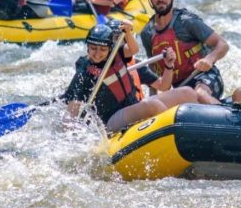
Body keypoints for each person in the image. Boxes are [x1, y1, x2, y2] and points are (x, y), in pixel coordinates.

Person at [61, 24, 198, 133]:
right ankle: (181, 134)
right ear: (87, 48)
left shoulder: (116, 54)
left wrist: (127, 32)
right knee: (152, 106)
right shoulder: (84, 72)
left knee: (187, 92)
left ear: (110, 48)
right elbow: (72, 108)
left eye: (102, 49)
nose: (98, 54)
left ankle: (198, 126)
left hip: (133, 105)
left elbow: (134, 49)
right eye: (93, 48)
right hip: (110, 120)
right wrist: (70, 134)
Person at [139, 0, 229, 105]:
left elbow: (222, 44)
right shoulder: (147, 33)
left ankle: (224, 117)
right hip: (180, 89)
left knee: (199, 94)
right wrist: (152, 100)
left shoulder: (187, 22)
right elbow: (154, 73)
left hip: (205, 77)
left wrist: (210, 59)